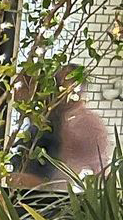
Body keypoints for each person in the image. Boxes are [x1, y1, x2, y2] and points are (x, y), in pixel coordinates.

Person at [11, 64, 110, 193]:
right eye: (57, 83)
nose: (59, 90)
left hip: (55, 201)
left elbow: (97, 170)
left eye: (64, 85)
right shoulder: (47, 119)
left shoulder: (86, 124)